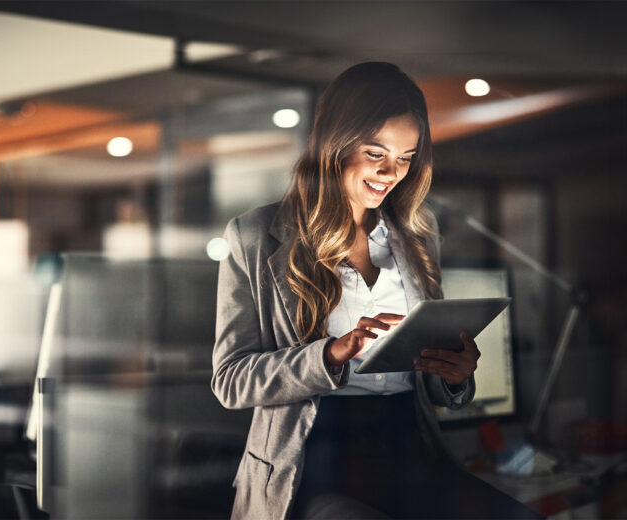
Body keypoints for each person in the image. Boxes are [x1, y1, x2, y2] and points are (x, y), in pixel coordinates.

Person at [211, 62, 539, 519]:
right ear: (336, 144)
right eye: (376, 152)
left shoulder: (419, 238)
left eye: (406, 157)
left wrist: (455, 374)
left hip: (408, 449)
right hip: (312, 460)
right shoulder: (255, 235)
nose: (391, 172)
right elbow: (230, 380)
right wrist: (330, 354)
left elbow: (433, 385)